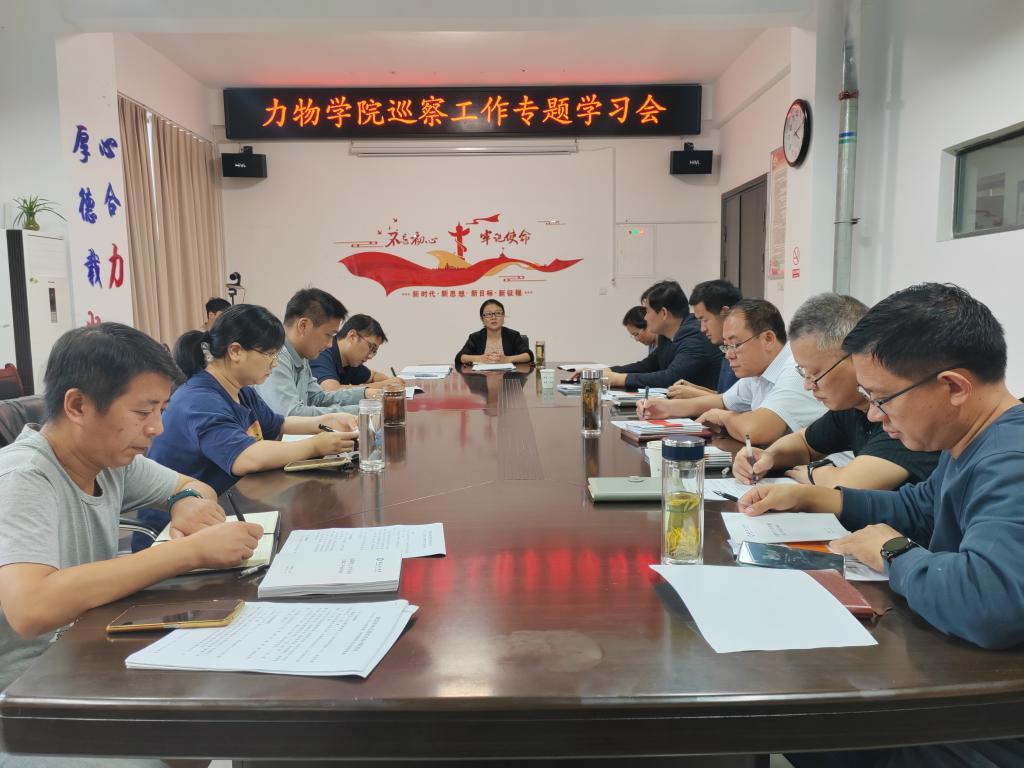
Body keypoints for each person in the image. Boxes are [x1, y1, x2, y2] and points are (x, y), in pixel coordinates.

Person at [737, 284, 1024, 767]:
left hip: (991, 724)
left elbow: (989, 604)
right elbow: (919, 508)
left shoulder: (1011, 460)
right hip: (968, 678)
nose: (873, 414)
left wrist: (894, 553)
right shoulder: (971, 442)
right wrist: (810, 497)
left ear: (954, 387)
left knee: (806, 714)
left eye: (883, 398)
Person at [0, 323, 263, 767]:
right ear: (78, 405)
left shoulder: (109, 460)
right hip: (27, 700)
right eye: (143, 412)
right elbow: (31, 608)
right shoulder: (24, 477)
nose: (156, 428)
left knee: (212, 714)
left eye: (161, 409)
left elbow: (193, 487)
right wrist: (188, 552)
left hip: (88, 655)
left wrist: (182, 502)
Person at [139, 304, 357, 544]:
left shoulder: (240, 390)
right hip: (174, 533)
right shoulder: (199, 400)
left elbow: (278, 424)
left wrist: (325, 421)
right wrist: (316, 446)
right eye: (269, 354)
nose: (275, 364)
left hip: (221, 510)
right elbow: (246, 458)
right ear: (235, 351)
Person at [731, 293, 939, 488]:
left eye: (816, 373)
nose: (808, 385)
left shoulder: (901, 411)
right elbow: (805, 442)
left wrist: (814, 473)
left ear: (857, 357)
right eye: (804, 372)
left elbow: (853, 484)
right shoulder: (853, 407)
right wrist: (768, 457)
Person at [641, 298, 824, 445]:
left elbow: (754, 431)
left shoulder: (796, 369)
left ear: (768, 338)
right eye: (726, 346)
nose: (729, 355)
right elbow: (723, 401)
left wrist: (722, 416)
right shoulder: (759, 369)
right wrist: (666, 408)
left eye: (735, 345)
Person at [255, 288, 375, 416]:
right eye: (328, 335)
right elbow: (291, 414)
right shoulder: (276, 355)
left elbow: (317, 398)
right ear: (303, 326)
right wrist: (363, 410)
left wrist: (365, 394)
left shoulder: (301, 356)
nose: (330, 344)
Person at [602, 280, 722, 390]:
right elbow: (648, 366)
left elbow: (671, 377)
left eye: (647, 311)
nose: (645, 317)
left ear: (664, 313)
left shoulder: (695, 335)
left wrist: (619, 379)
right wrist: (609, 371)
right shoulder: (666, 336)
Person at [669, 279, 743, 397]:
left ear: (725, 312)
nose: (702, 329)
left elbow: (739, 404)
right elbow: (726, 396)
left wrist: (696, 394)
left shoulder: (744, 351)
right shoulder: (726, 347)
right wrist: (694, 389)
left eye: (704, 320)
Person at [310, 313, 404, 391]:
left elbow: (373, 376)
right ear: (352, 337)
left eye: (374, 351)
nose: (371, 356)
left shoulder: (350, 362)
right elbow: (331, 391)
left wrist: (393, 381)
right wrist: (384, 385)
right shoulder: (322, 352)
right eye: (372, 347)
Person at [455, 299, 533, 366]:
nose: (493, 317)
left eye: (498, 313)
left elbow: (529, 355)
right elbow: (459, 357)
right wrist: (480, 358)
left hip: (508, 377)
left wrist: (507, 359)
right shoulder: (475, 337)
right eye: (488, 314)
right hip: (481, 378)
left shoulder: (513, 335)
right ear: (482, 319)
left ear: (503, 316)